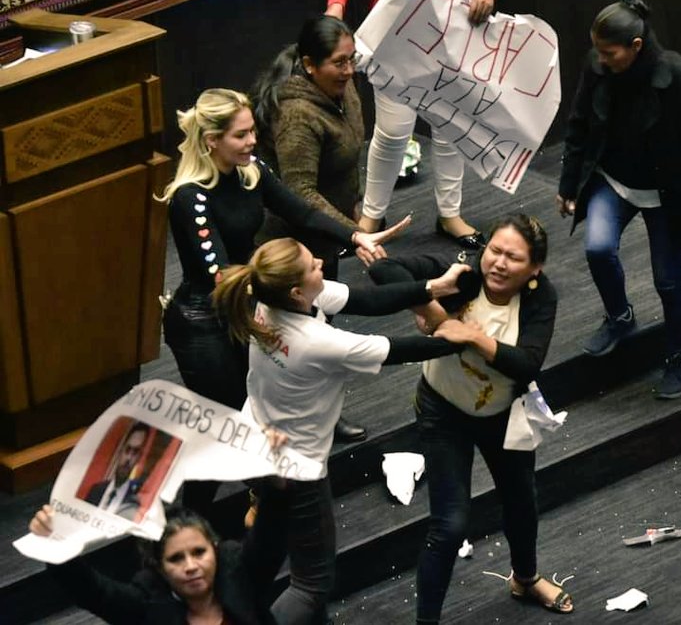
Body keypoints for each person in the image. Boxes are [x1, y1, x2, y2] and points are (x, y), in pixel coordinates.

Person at [212, 236, 467, 624]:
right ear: (298, 289)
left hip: (256, 441)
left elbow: (365, 300)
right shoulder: (316, 342)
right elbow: (398, 350)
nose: (319, 260)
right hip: (295, 468)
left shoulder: (271, 298)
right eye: (312, 264)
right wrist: (460, 342)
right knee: (310, 584)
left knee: (274, 555)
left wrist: (434, 287)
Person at [159, 88, 402, 461]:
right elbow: (219, 275)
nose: (253, 141)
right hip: (206, 317)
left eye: (252, 131)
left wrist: (355, 237)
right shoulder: (190, 198)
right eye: (241, 135)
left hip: (252, 292)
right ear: (212, 141)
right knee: (229, 419)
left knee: (287, 379)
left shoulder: (251, 171)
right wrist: (284, 285)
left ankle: (314, 423)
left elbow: (301, 212)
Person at [367, 214, 573, 622]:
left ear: (535, 269)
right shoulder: (463, 269)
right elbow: (382, 269)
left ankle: (526, 578)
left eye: (513, 258)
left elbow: (528, 364)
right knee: (449, 525)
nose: (498, 263)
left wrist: (474, 336)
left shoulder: (540, 298)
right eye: (494, 251)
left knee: (521, 503)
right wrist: (431, 302)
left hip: (501, 415)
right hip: (442, 410)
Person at [557, 0, 681, 399]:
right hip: (613, 180)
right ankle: (620, 317)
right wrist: (569, 185)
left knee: (669, 282)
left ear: (636, 46)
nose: (601, 59)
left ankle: (678, 357)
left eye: (610, 52)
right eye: (597, 50)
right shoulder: (596, 66)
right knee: (598, 249)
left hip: (665, 194)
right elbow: (579, 124)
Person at [325, 0, 514, 247]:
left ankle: (450, 214)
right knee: (392, 133)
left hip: (456, 35)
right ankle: (371, 217)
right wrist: (336, 5)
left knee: (450, 128)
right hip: (396, 37)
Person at [29, 501, 288, 625]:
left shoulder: (238, 575)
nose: (191, 565)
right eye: (176, 558)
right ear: (159, 566)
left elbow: (270, 538)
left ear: (215, 550)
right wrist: (56, 543)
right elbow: (91, 591)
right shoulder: (146, 604)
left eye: (199, 552)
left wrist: (277, 485)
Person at [251, 15, 364, 282]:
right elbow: (300, 192)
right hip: (292, 248)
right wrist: (353, 232)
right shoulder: (296, 117)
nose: (349, 70)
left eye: (352, 59)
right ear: (309, 65)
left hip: (328, 233)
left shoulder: (339, 86)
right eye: (339, 62)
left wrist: (351, 206)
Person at [83, 422, 152, 520]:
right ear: (120, 451)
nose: (129, 458)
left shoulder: (135, 504)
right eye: (127, 449)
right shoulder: (95, 490)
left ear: (139, 457)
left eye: (135, 452)